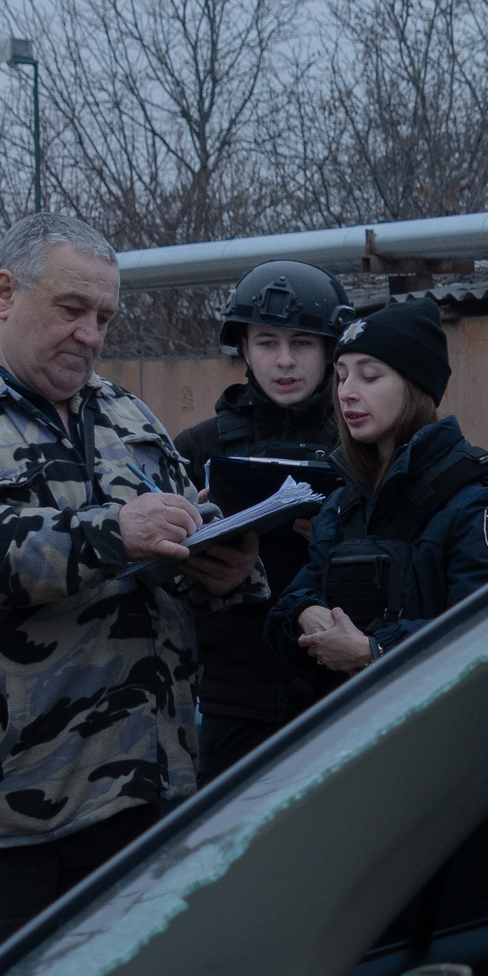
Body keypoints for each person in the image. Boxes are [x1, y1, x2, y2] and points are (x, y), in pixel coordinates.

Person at [0, 212, 261, 976]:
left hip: (135, 796)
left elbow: (160, 549)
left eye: (104, 316)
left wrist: (220, 568)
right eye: (71, 308)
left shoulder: (124, 416)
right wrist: (112, 531)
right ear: (5, 294)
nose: (90, 334)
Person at [270, 296, 488, 676]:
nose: (347, 391)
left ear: (415, 386)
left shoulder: (477, 501)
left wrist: (375, 650)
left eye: (369, 376)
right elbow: (297, 595)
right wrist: (305, 612)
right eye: (341, 375)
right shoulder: (343, 503)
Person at [173, 260, 352, 777]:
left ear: (329, 349)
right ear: (245, 349)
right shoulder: (197, 447)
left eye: (303, 343)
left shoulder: (365, 444)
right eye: (267, 342)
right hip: (231, 701)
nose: (284, 361)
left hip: (345, 692)